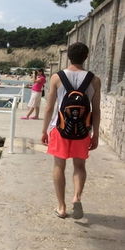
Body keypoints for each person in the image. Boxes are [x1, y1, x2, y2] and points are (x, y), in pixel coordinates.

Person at [41, 42, 101, 219]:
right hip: (83, 130)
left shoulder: (57, 78)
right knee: (80, 166)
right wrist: (95, 133)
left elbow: (49, 107)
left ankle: (61, 207)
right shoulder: (94, 80)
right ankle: (76, 197)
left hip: (59, 129)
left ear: (69, 56)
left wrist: (44, 130)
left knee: (59, 165)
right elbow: (96, 110)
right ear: (86, 57)